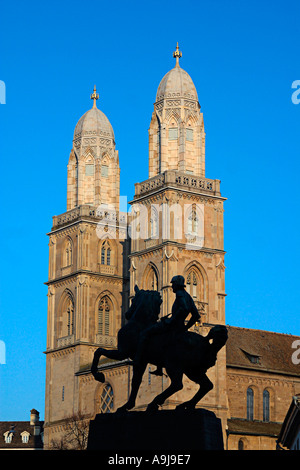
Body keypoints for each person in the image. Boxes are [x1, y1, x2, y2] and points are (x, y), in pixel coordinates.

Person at [134, 275, 200, 376]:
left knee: (146, 333)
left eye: (173, 284)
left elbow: (184, 308)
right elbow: (196, 315)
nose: (172, 286)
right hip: (179, 326)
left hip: (173, 326)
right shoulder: (188, 296)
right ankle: (159, 368)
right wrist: (186, 327)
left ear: (177, 285)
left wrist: (171, 320)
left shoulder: (180, 294)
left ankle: (138, 359)